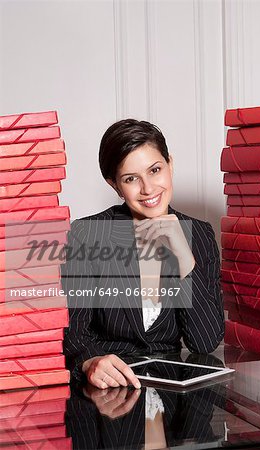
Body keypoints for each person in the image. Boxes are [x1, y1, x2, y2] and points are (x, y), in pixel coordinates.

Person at [62, 119, 224, 390]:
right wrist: (90, 362)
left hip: (173, 398)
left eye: (155, 170)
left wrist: (183, 254)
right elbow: (74, 334)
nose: (148, 189)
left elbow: (204, 341)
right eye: (131, 179)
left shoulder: (200, 234)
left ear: (170, 164)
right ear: (114, 184)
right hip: (110, 397)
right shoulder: (87, 234)